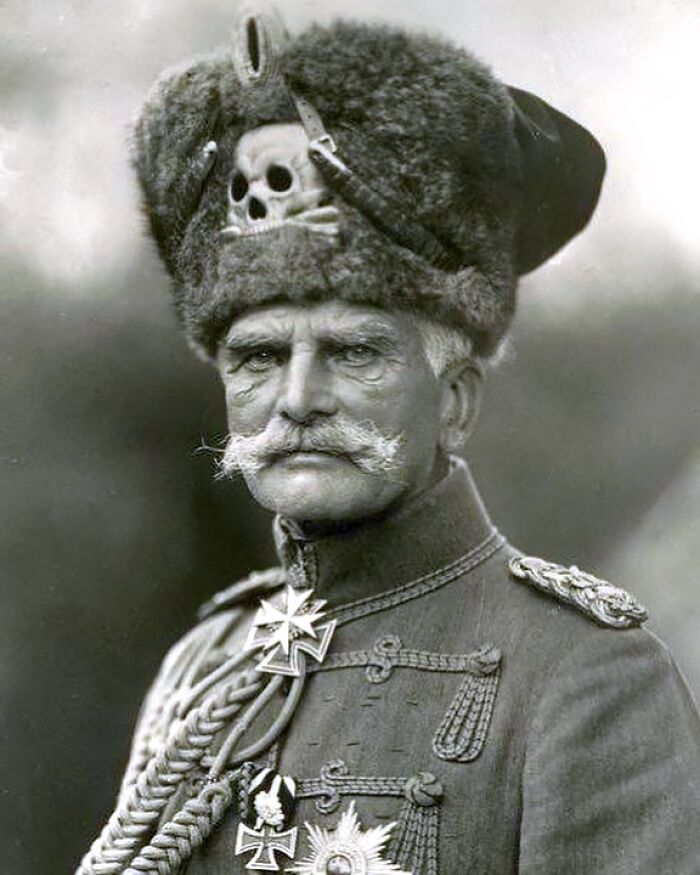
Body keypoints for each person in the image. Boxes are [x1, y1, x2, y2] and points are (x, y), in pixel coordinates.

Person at [75, 9, 700, 875]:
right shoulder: (207, 664)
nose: (297, 399)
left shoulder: (589, 683)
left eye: (354, 350)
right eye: (257, 356)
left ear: (455, 400)